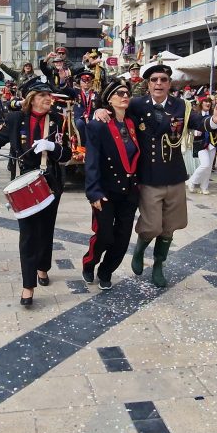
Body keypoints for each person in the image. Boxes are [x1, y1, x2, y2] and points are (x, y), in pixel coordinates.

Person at [93, 63, 217, 287]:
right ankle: (140, 249)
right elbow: (115, 110)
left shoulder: (181, 106)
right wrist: (100, 110)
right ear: (148, 84)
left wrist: (215, 121)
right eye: (154, 80)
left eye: (163, 80)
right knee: (151, 225)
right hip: (148, 176)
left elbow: (200, 123)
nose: (159, 83)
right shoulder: (136, 104)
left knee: (169, 226)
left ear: (170, 83)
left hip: (174, 173)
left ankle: (158, 264)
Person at [0, 78, 72, 306]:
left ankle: (43, 267)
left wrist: (54, 147)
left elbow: (67, 154)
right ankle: (28, 285)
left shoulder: (58, 120)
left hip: (50, 181)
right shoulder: (16, 118)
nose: (47, 100)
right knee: (28, 234)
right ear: (31, 98)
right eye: (42, 96)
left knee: (46, 229)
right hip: (24, 181)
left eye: (49, 96)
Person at [82, 78, 139, 290]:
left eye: (127, 94)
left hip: (129, 191)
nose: (125, 97)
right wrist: (93, 192)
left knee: (123, 238)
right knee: (105, 235)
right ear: (109, 99)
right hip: (105, 190)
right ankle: (89, 262)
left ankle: (106, 271)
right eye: (119, 94)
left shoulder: (134, 122)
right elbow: (92, 160)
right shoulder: (99, 124)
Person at [187, 95, 217, 195]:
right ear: (201, 103)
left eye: (209, 102)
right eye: (205, 101)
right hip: (201, 143)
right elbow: (189, 128)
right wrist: (194, 132)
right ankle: (192, 181)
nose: (208, 103)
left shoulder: (213, 114)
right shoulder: (196, 114)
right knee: (205, 164)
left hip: (212, 142)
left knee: (209, 167)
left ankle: (204, 187)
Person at [73, 70, 98, 146]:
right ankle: (83, 145)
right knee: (80, 124)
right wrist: (62, 80)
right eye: (84, 81)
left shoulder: (96, 94)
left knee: (97, 124)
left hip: (92, 117)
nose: (86, 83)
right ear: (80, 82)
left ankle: (94, 145)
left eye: (89, 81)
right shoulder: (75, 92)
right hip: (80, 117)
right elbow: (65, 89)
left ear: (91, 83)